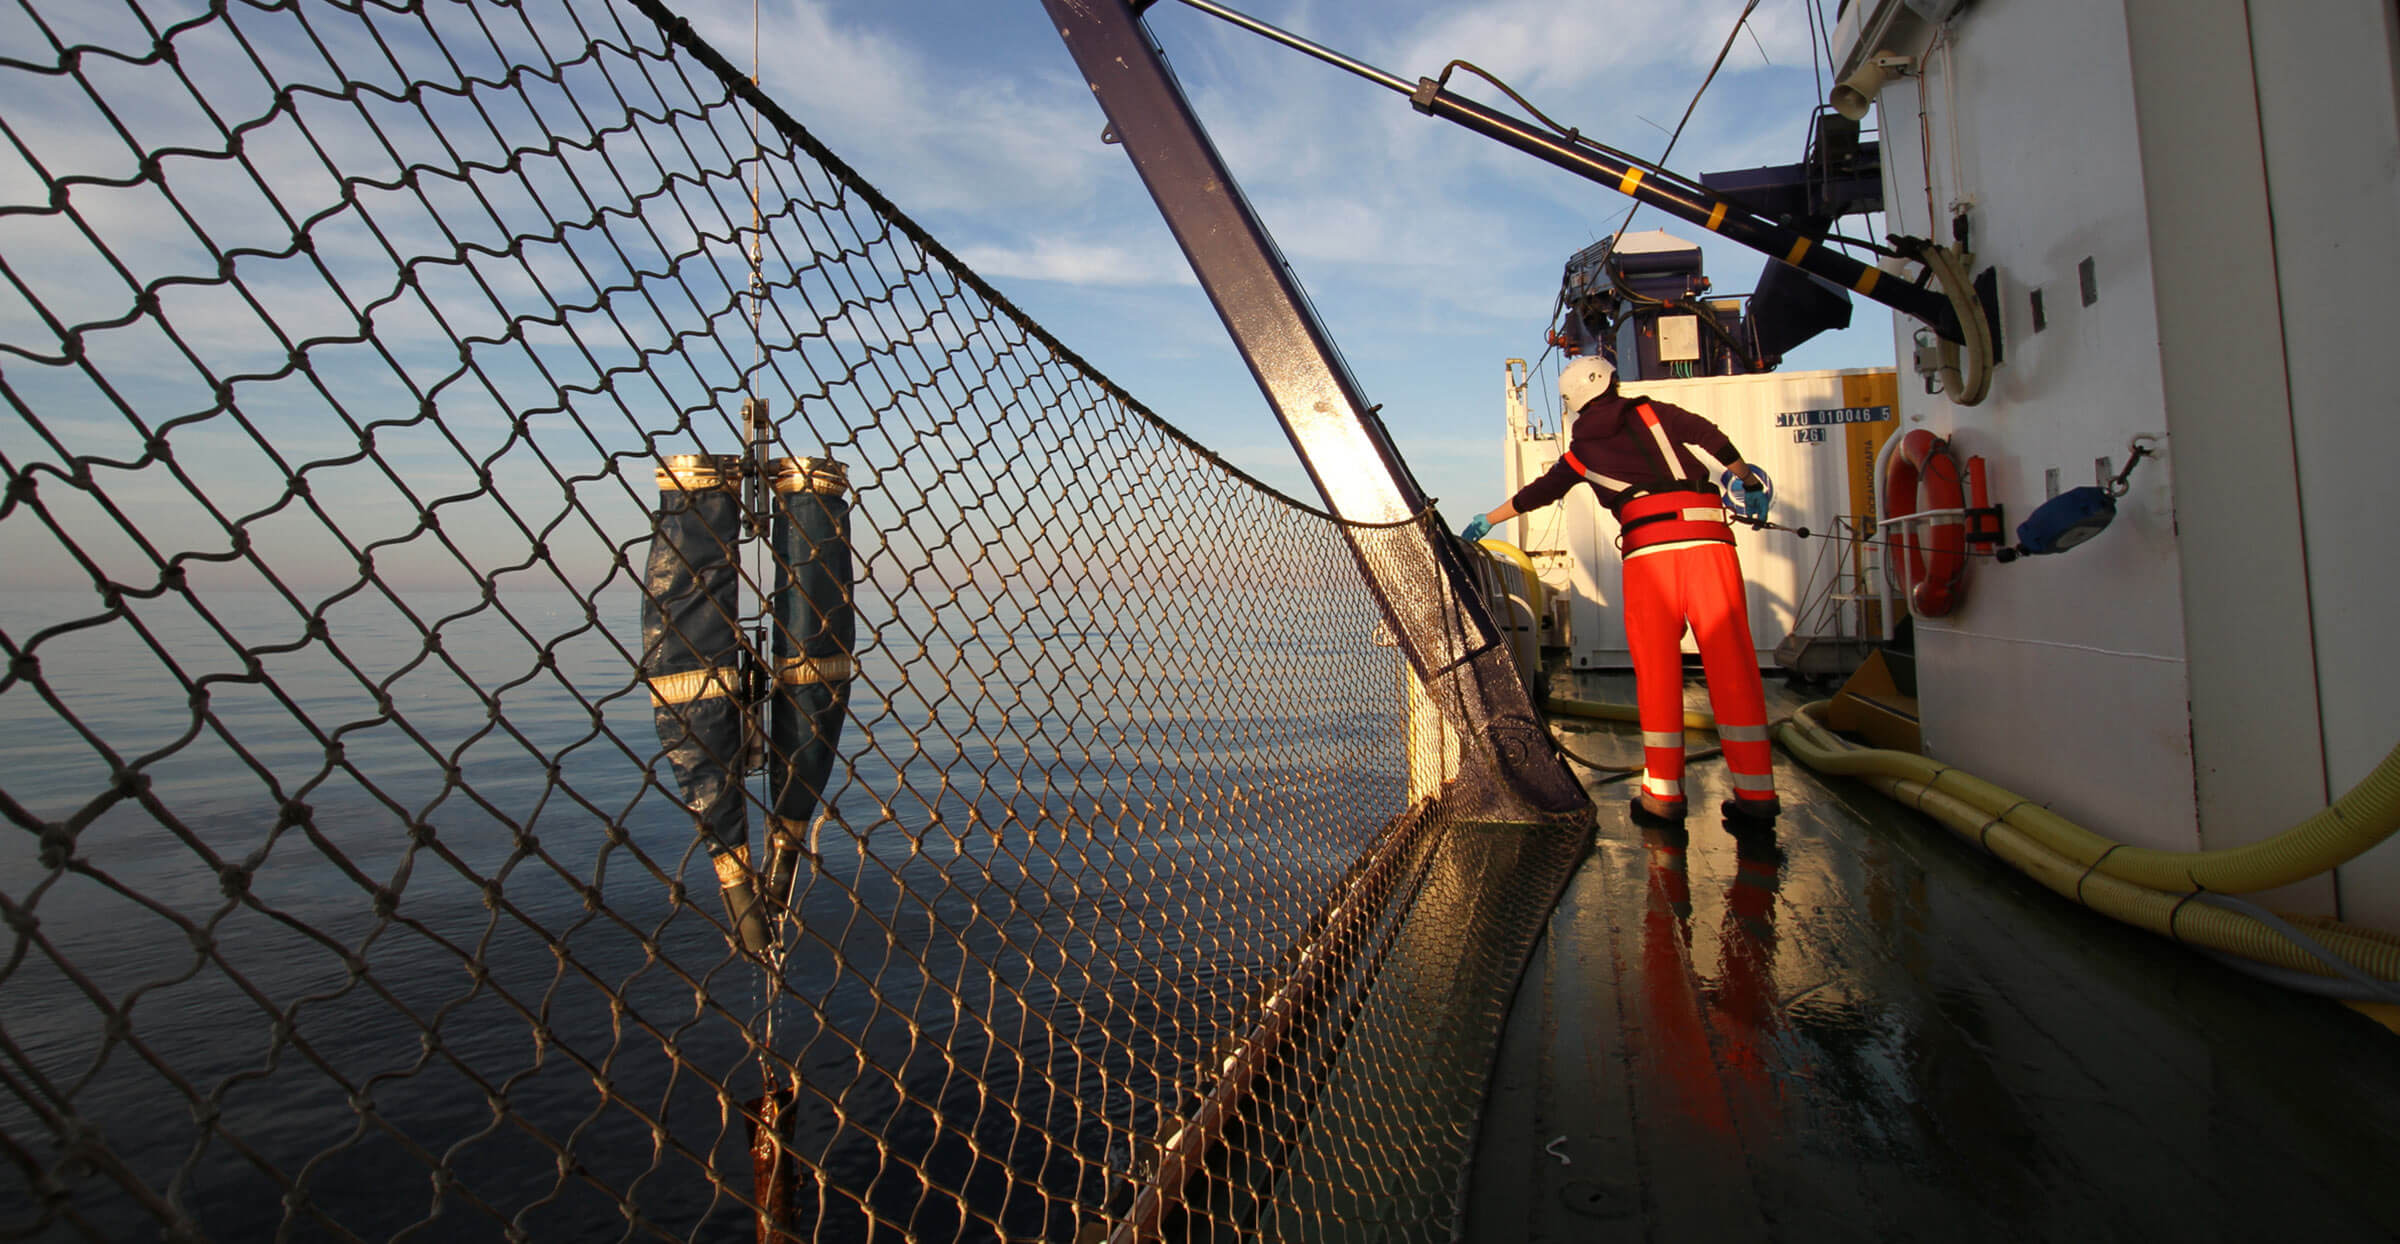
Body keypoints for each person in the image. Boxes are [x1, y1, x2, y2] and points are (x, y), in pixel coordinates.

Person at [1460, 354, 1779, 829]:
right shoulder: (1653, 412)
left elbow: (1541, 492)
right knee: (1731, 662)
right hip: (1709, 540)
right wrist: (1748, 481)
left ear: (1573, 404)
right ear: (1612, 383)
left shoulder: (1580, 454)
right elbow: (1711, 436)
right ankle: (1756, 795)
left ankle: (1662, 797)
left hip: (1648, 552)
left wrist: (1490, 519)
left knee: (1657, 671)